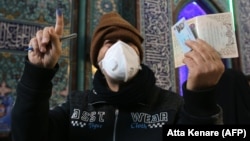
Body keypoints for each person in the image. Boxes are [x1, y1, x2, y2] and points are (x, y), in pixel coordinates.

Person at [11, 11, 225, 141]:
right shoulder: (76, 108)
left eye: (128, 42)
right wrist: (36, 74)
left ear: (139, 57)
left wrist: (201, 99)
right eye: (109, 42)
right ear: (98, 61)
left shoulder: (171, 107)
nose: (120, 47)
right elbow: (27, 136)